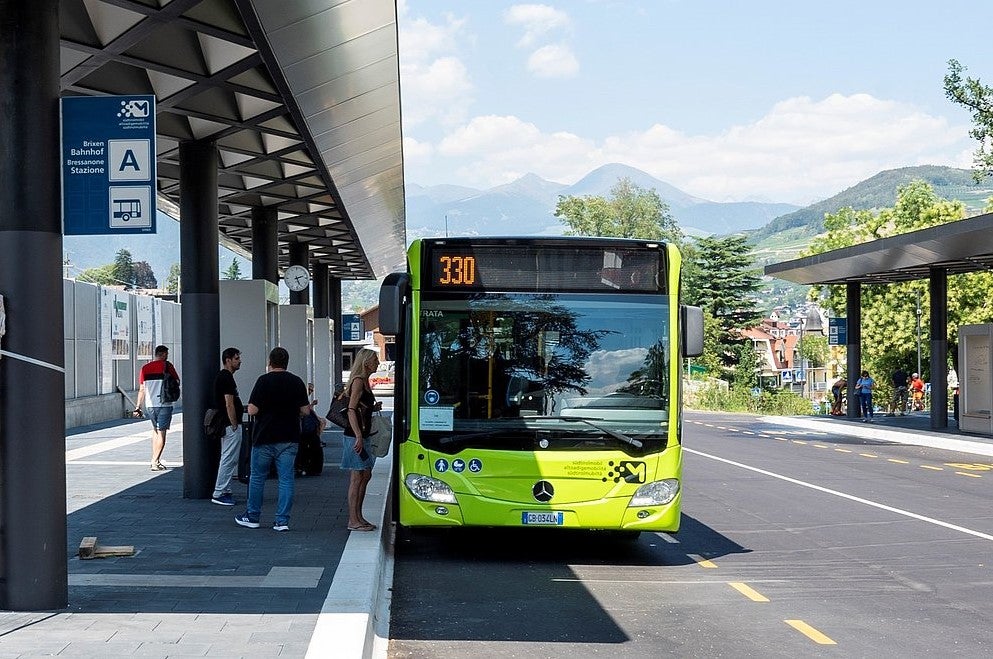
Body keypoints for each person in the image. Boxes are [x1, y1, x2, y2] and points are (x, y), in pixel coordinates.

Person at [235, 347, 309, 532]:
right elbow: (306, 410)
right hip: (289, 437)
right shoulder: (296, 382)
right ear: (287, 362)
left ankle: (252, 516)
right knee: (286, 480)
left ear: (270, 362)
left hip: (264, 437)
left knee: (258, 478)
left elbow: (252, 410)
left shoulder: (263, 381)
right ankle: (282, 521)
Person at [341, 347, 383, 532]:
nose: (378, 363)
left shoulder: (365, 381)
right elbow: (351, 409)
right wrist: (358, 435)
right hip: (355, 436)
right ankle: (353, 520)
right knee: (357, 476)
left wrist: (373, 409)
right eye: (375, 360)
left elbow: (360, 408)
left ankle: (358, 516)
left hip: (362, 434)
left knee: (365, 474)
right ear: (366, 363)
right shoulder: (358, 381)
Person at [133, 345, 180, 471]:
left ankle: (155, 459)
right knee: (162, 433)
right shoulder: (167, 366)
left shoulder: (145, 368)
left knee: (155, 431)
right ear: (164, 354)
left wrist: (138, 406)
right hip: (164, 404)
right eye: (166, 354)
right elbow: (177, 381)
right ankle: (155, 461)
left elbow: (142, 389)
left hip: (150, 405)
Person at [211, 347, 244, 506]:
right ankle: (219, 492)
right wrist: (234, 424)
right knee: (228, 458)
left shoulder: (225, 377)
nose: (239, 361)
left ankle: (225, 490)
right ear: (228, 360)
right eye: (237, 358)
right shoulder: (226, 377)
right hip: (229, 424)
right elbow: (229, 403)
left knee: (229, 458)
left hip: (227, 424)